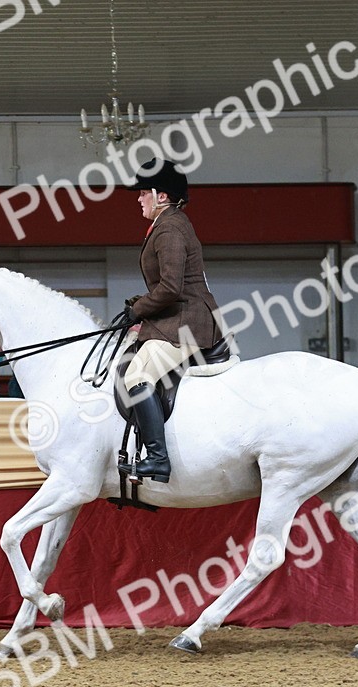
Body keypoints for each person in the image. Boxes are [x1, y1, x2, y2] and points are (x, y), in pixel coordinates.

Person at [119, 159, 223, 483]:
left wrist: (139, 310)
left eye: (143, 193)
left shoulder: (170, 228)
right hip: (179, 316)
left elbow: (170, 288)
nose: (139, 198)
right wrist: (140, 306)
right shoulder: (168, 223)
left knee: (137, 375)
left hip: (187, 322)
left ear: (161, 196)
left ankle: (157, 459)